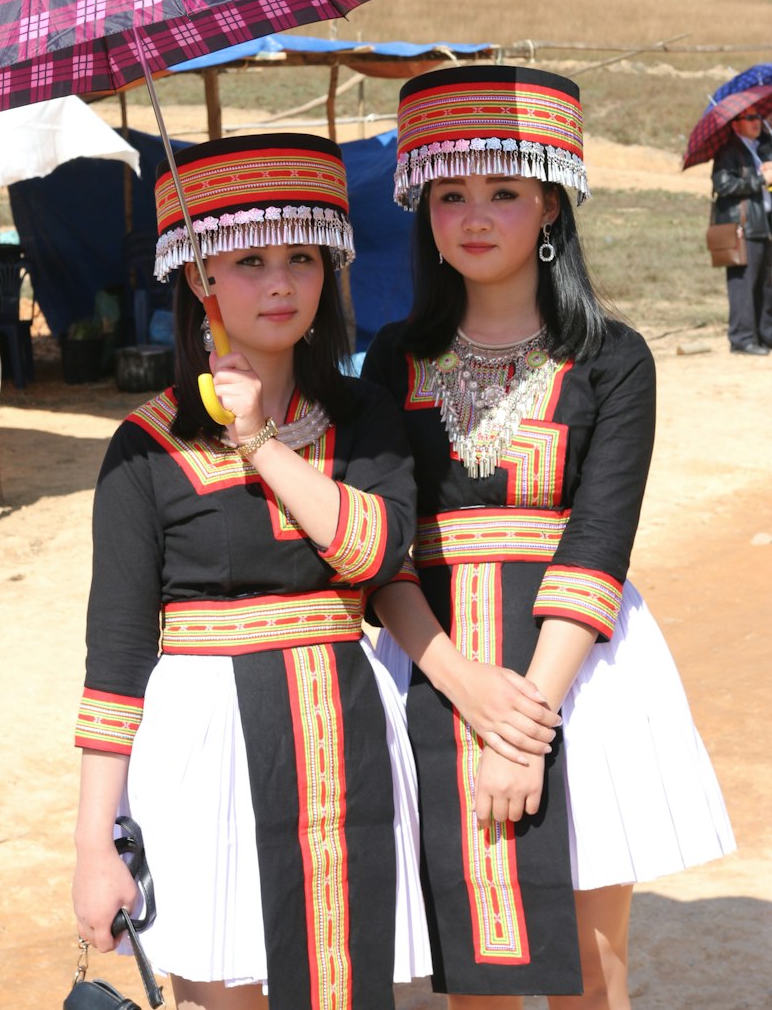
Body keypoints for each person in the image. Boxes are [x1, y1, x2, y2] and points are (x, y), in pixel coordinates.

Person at [362, 65, 735, 1009]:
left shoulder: (614, 357)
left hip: (580, 672)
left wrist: (524, 724)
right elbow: (383, 547)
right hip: (432, 667)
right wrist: (460, 682)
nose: (475, 216)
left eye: (504, 192)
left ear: (551, 209)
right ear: (424, 210)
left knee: (587, 957)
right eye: (451, 194)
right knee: (467, 959)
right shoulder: (392, 359)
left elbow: (599, 541)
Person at [72, 133, 431, 1010]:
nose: (280, 283)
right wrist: (93, 847)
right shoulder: (144, 447)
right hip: (206, 751)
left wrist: (260, 440)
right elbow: (116, 662)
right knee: (223, 996)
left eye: (302, 257)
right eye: (248, 260)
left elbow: (374, 555)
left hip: (348, 731)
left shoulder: (364, 414)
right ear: (199, 280)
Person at [711, 105, 772, 355]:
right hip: (742, 227)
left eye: (758, 117)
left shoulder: (760, 149)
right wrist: (761, 180)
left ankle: (765, 334)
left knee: (766, 283)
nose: (756, 121)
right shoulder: (729, 151)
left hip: (764, 224)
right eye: (750, 118)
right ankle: (742, 338)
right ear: (735, 123)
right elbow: (723, 184)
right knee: (743, 284)